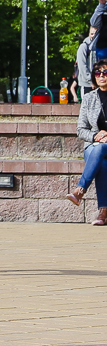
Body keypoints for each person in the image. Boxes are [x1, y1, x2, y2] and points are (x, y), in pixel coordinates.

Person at [67, 59, 107, 225]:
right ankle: (103, 212)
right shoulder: (89, 98)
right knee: (102, 160)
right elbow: (80, 129)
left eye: (105, 72)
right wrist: (96, 136)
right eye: (98, 73)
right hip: (93, 146)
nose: (102, 76)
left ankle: (80, 191)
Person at [77, 27, 98, 97]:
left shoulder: (100, 47)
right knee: (86, 106)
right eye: (91, 34)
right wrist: (91, 81)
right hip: (87, 84)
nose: (93, 36)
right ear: (89, 34)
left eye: (95, 34)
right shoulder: (84, 47)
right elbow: (82, 66)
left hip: (99, 83)